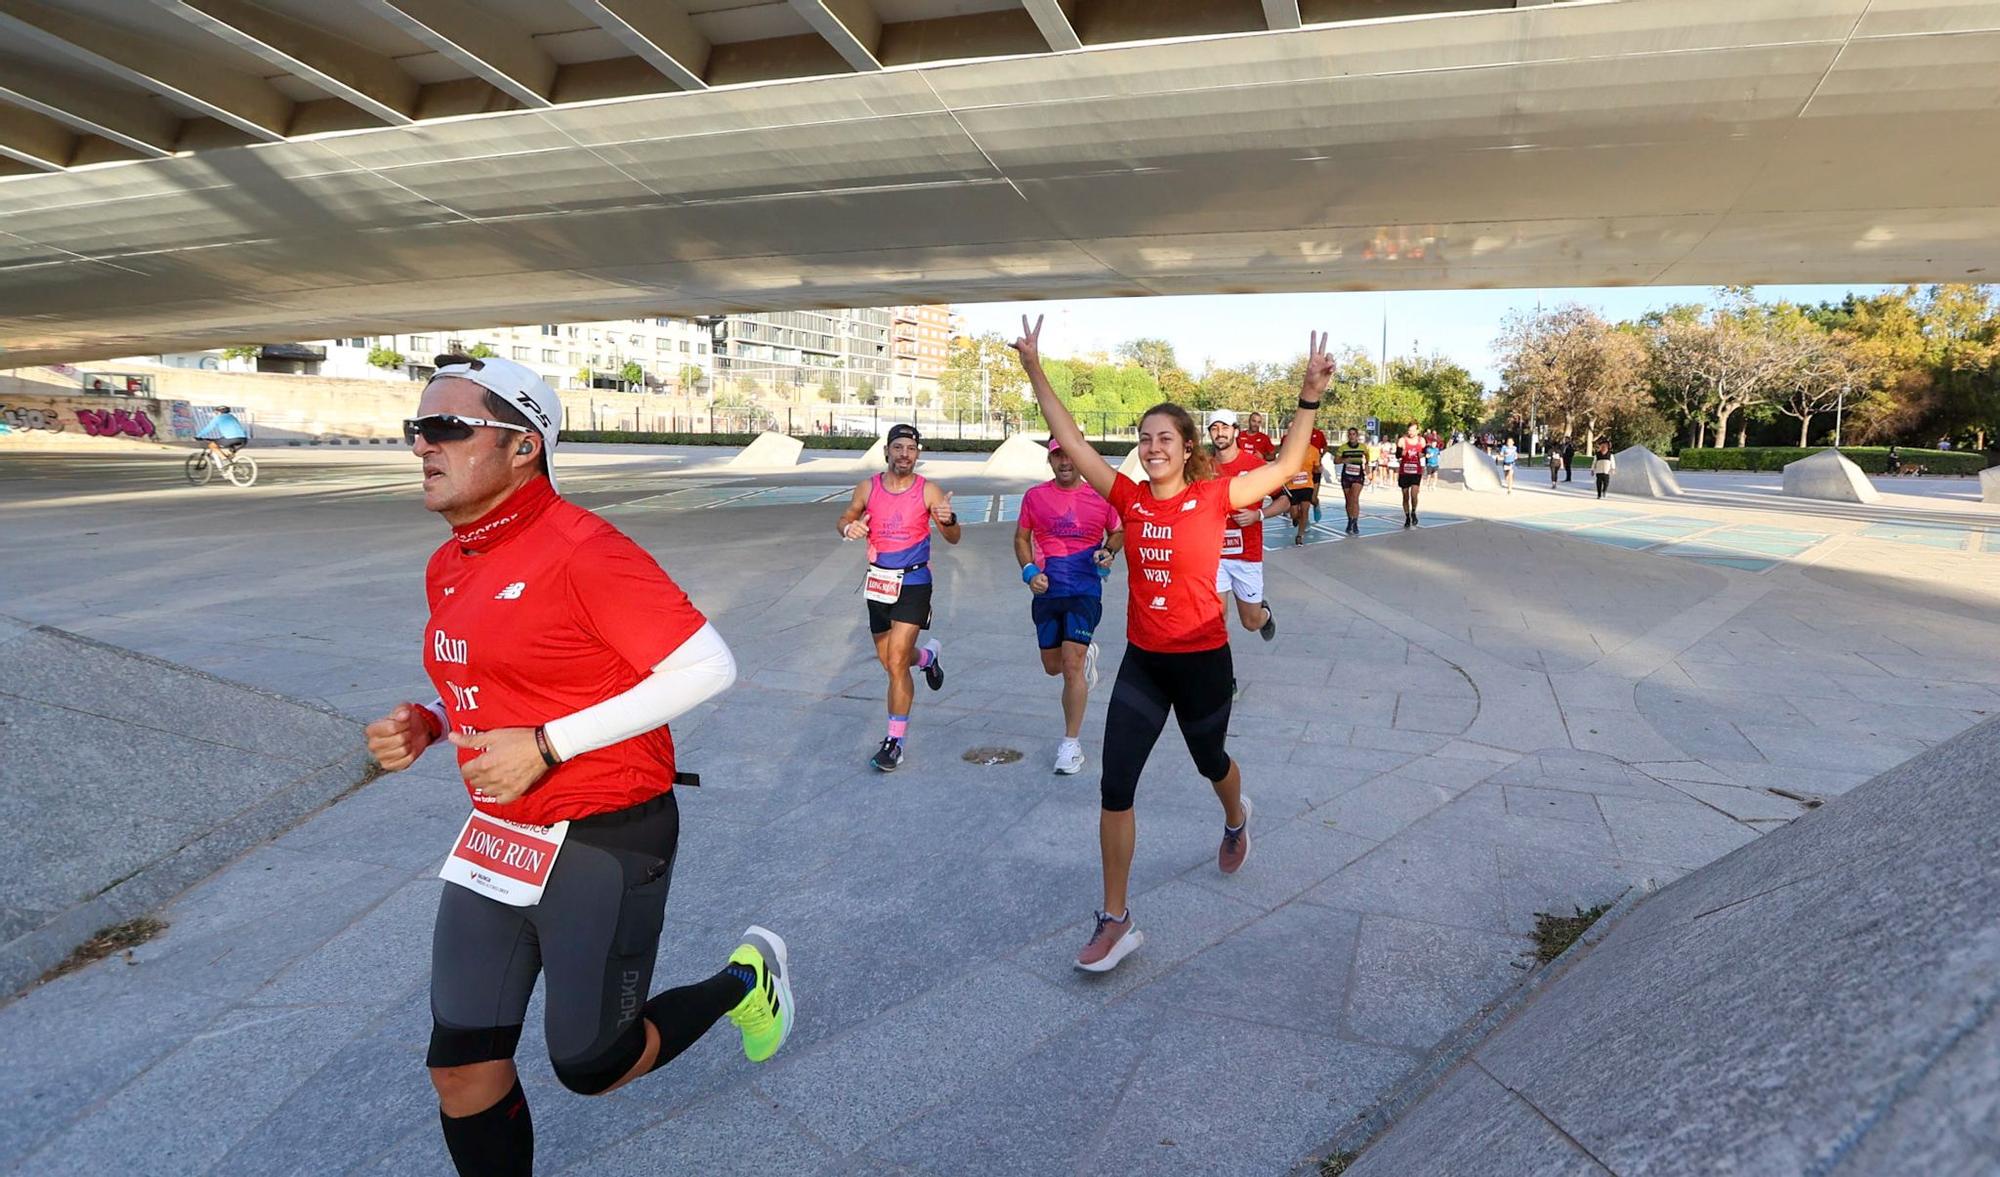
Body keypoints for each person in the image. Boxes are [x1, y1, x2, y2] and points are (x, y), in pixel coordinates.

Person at [362, 355, 791, 1177]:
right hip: (499, 837)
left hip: (606, 828)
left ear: (525, 446)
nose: (424, 444)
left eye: (449, 427)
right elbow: (510, 682)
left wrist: (549, 745)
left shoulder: (585, 548)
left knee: (592, 1062)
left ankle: (744, 980)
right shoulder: (450, 560)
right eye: (418, 428)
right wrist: (431, 720)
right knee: (460, 1066)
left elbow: (708, 666)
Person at [1013, 315, 1334, 974]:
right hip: (1145, 662)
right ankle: (1116, 917)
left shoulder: (1216, 497)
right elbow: (1071, 440)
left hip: (1203, 660)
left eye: (1165, 437)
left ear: (1187, 447)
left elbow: (1285, 463)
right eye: (1144, 437)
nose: (1152, 445)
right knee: (1115, 784)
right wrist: (1034, 367)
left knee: (1211, 760)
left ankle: (1236, 815)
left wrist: (1308, 397)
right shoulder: (1128, 497)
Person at [836, 423, 960, 772]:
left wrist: (948, 520)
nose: (905, 454)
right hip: (878, 583)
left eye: (911, 448)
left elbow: (954, 537)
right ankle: (927, 658)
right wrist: (850, 526)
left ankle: (895, 742)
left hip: (915, 582)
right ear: (887, 451)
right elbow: (846, 516)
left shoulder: (928, 491)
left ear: (917, 454)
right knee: (892, 661)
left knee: (895, 661)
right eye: (899, 447)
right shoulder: (868, 487)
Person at [1017, 438, 1124, 775]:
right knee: (1053, 667)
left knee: (1071, 664)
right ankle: (1083, 652)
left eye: (1069, 455)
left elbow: (1119, 531)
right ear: (1050, 460)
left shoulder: (1100, 496)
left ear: (1080, 459)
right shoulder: (1035, 497)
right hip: (1047, 592)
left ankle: (1070, 745)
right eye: (1057, 455)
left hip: (1084, 591)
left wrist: (1108, 550)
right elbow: (1021, 538)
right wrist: (1029, 570)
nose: (1064, 462)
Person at [1207, 410, 1282, 640]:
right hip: (1214, 556)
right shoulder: (1202, 468)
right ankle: (1222, 675)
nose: (1220, 433)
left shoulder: (1256, 465)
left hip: (1246, 555)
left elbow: (1286, 499)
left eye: (1225, 428)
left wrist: (1257, 515)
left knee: (1250, 622)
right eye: (1214, 428)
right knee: (1215, 621)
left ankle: (1265, 614)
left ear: (1235, 431)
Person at [1279, 424, 1323, 544]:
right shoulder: (1291, 449)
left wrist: (1318, 469)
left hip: (1307, 485)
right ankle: (1297, 519)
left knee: (1305, 510)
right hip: (1292, 485)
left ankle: (1300, 536)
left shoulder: (1314, 451)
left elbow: (1317, 467)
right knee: (1294, 513)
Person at [1334, 427, 1369, 534]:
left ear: (1357, 436)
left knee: (1354, 498)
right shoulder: (1343, 447)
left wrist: (1367, 464)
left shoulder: (1362, 447)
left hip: (1358, 475)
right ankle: (1350, 520)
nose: (1352, 436)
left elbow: (1367, 455)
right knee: (1348, 500)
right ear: (1348, 436)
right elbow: (1336, 460)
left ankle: (1355, 522)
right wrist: (1344, 460)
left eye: (1354, 434)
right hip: (1346, 475)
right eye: (1350, 434)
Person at [1396, 422, 1426, 527]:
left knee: (1414, 495)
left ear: (1417, 431)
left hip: (1416, 471)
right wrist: (1401, 453)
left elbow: (1425, 453)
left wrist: (1422, 454)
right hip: (1404, 471)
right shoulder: (1402, 440)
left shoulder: (1421, 440)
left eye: (1413, 430)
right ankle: (1407, 516)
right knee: (1405, 496)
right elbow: (1397, 455)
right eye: (1409, 430)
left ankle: (1413, 512)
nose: (1411, 432)